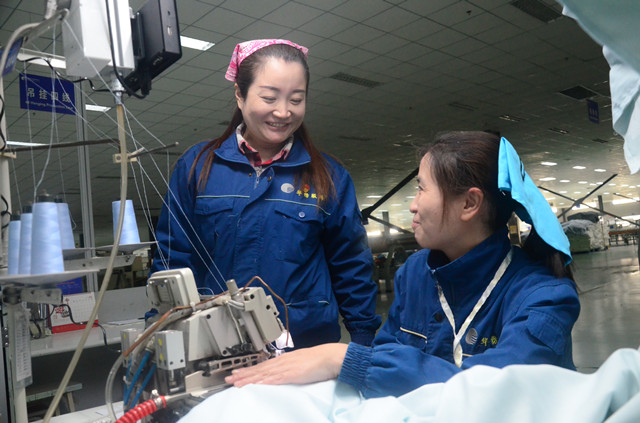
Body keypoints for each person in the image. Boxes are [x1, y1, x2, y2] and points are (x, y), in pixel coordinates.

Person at [224, 131, 581, 398]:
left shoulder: (545, 298)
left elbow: (489, 393)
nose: (413, 205)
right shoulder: (417, 273)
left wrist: (343, 359)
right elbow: (386, 361)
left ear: (469, 204)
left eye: (422, 189)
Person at [150, 39, 381, 348]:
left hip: (306, 344)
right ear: (240, 95)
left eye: (296, 99)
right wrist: (162, 328)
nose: (283, 112)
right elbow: (172, 258)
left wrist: (363, 338)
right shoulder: (197, 167)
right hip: (217, 343)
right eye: (269, 97)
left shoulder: (329, 176)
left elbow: (351, 264)